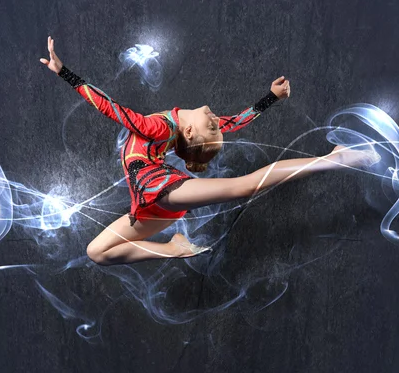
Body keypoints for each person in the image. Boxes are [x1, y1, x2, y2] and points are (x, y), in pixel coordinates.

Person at [40, 36, 379, 265]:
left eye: (211, 125)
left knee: (245, 186)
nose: (217, 119)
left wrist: (64, 73)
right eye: (215, 123)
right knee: (97, 253)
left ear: (189, 132)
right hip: (149, 208)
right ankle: (173, 248)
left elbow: (109, 107)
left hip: (163, 192)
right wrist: (271, 98)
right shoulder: (177, 128)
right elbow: (235, 122)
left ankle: (340, 158)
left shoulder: (159, 127)